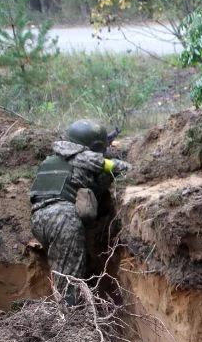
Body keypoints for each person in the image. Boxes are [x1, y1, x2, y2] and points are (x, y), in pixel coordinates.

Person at [28, 119, 130, 305]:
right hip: (63, 220)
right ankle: (71, 325)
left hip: (38, 219)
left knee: (63, 272)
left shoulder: (52, 160)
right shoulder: (84, 158)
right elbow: (114, 166)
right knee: (70, 282)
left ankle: (66, 317)